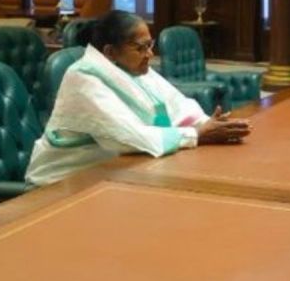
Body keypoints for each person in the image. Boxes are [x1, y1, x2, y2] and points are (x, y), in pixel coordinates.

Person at [26, 10, 250, 186]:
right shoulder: (83, 78)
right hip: (60, 186)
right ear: (110, 52)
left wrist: (208, 124)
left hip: (113, 174)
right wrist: (197, 134)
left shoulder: (134, 68)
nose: (150, 54)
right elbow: (127, 137)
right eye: (141, 48)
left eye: (150, 45)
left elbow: (177, 105)